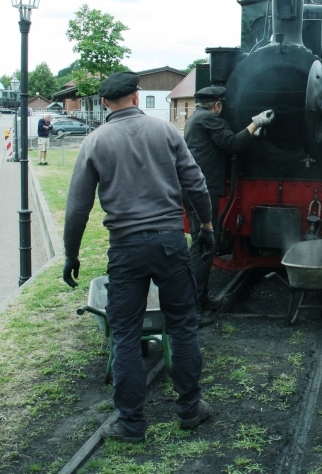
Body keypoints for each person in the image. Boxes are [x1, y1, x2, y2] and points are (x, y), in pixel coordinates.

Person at [62, 71, 214, 442]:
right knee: (182, 324)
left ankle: (130, 423)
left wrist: (71, 254)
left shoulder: (95, 142)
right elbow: (196, 183)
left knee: (125, 334)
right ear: (135, 96)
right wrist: (207, 226)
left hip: (126, 247)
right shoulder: (166, 132)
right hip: (169, 242)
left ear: (103, 103)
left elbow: (76, 208)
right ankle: (190, 408)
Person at [183, 86, 274, 319]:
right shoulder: (210, 120)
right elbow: (231, 145)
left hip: (194, 187)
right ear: (216, 105)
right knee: (204, 245)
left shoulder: (196, 118)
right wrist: (256, 123)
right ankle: (195, 303)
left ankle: (195, 299)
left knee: (201, 243)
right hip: (202, 189)